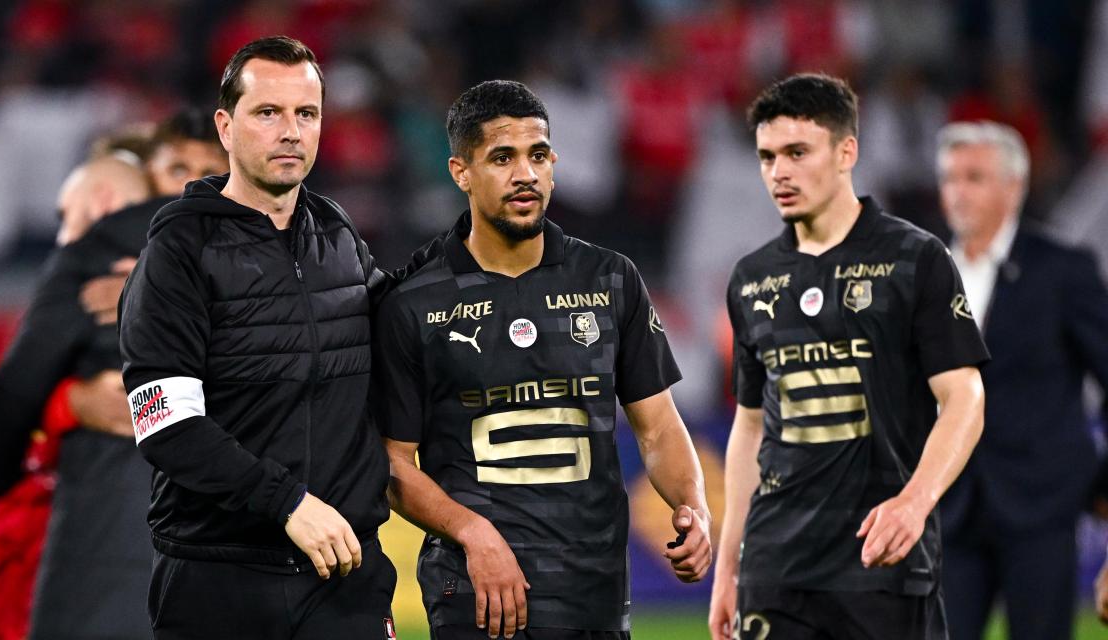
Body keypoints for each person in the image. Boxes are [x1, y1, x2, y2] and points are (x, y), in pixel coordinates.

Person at [375, 80, 713, 640]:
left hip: (594, 595)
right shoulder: (413, 301)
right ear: (461, 172)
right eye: (502, 158)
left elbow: (658, 429)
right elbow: (394, 466)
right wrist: (473, 534)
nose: (525, 174)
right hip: (474, 593)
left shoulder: (609, 280)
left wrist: (693, 505)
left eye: (538, 155)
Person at [118, 36, 396, 639]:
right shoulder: (179, 253)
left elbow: (412, 339)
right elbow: (166, 424)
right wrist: (288, 503)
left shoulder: (340, 238)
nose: (291, 131)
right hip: (218, 582)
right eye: (268, 113)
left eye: (307, 113)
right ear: (225, 125)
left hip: (344, 579)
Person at [708, 73, 988, 639]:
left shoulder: (914, 258)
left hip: (880, 563)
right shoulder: (752, 279)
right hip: (776, 569)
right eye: (766, 157)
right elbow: (751, 426)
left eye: (796, 152)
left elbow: (965, 398)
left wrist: (915, 502)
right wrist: (731, 563)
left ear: (846, 152)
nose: (778, 172)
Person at [0, 109, 228, 640]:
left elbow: (15, 385)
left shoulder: (103, 250)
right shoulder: (277, 248)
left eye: (206, 172)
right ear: (146, 172)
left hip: (100, 541)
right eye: (178, 170)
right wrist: (68, 402)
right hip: (223, 535)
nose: (190, 186)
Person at [935, 121, 1108, 640]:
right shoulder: (923, 270)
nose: (957, 192)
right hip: (950, 509)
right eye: (949, 178)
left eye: (974, 177)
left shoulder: (1062, 271)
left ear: (1014, 187)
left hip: (1041, 509)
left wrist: (1102, 485)